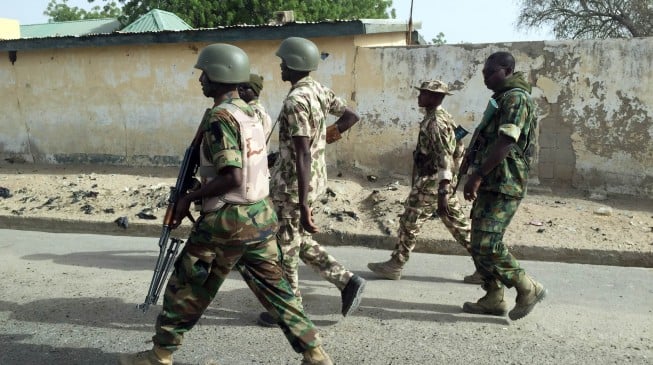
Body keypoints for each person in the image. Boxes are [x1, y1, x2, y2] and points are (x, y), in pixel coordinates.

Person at [118, 43, 334, 365]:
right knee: (278, 291)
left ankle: (160, 354)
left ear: (220, 74)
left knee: (186, 286)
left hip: (227, 220)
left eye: (205, 73)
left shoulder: (220, 117)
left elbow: (232, 176)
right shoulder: (249, 112)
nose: (201, 79)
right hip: (260, 216)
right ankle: (315, 353)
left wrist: (189, 197)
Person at [258, 36, 365, 327]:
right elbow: (350, 116)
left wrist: (303, 204)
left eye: (283, 62)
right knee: (295, 239)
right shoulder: (318, 90)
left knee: (285, 248)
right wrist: (324, 139)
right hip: (311, 180)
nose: (280, 67)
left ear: (294, 64)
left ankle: (289, 311)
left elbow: (303, 153)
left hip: (294, 188)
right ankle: (347, 281)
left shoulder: (296, 100)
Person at [367, 80, 482, 284]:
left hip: (433, 181)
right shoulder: (440, 117)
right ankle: (486, 267)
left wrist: (443, 189)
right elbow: (458, 147)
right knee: (459, 226)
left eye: (424, 93)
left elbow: (445, 155)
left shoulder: (435, 122)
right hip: (437, 180)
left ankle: (396, 264)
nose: (419, 96)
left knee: (409, 222)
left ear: (435, 97)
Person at [461, 51, 546, 320]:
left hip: (505, 181)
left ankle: (527, 287)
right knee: (477, 241)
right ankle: (493, 296)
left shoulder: (516, 98)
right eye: (484, 72)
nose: (485, 77)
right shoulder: (501, 98)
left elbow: (506, 141)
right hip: (491, 179)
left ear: (507, 70)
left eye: (490, 72)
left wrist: (478, 175)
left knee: (488, 241)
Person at [239, 73, 273, 139]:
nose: (240, 90)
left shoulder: (252, 112)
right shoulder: (261, 110)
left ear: (254, 90)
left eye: (245, 87)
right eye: (239, 87)